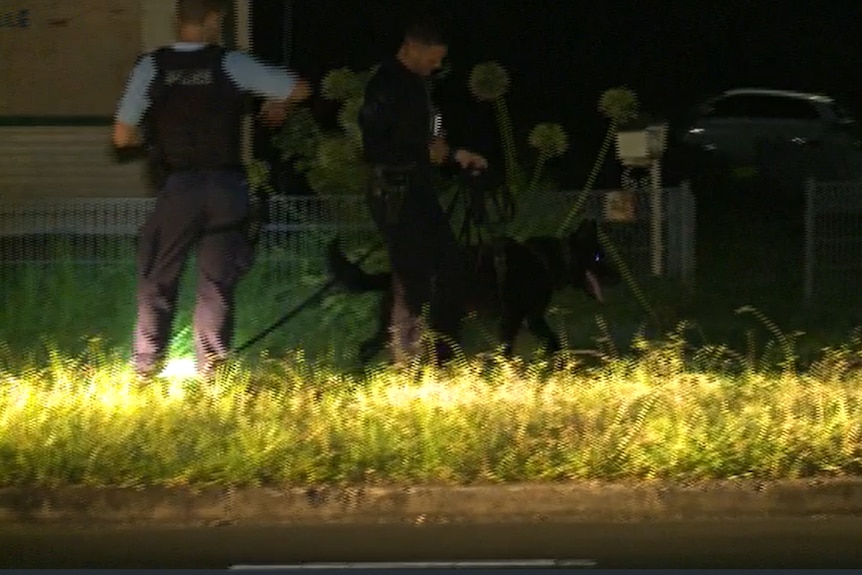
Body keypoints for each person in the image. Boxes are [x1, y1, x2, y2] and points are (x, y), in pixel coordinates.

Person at [112, 0, 312, 381]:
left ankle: (145, 370)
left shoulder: (152, 66)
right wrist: (274, 102)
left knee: (157, 278)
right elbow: (300, 88)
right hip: (225, 189)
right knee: (216, 283)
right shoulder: (232, 64)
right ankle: (214, 375)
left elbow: (122, 137)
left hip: (178, 188)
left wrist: (154, 140)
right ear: (214, 20)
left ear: (178, 21)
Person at [358, 18, 488, 366]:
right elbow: (374, 144)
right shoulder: (383, 85)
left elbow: (434, 131)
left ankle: (444, 354)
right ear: (412, 47)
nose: (437, 66)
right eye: (433, 58)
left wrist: (455, 154)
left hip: (419, 187)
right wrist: (423, 152)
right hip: (393, 190)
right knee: (412, 274)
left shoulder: (422, 87)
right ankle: (408, 358)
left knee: (450, 266)